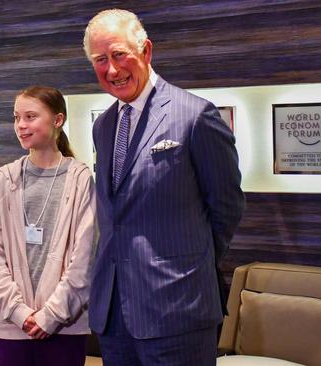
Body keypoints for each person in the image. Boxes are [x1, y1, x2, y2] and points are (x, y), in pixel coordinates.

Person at [83, 9, 245, 366]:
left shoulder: (195, 116)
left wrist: (190, 264)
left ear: (146, 51)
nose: (112, 69)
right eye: (100, 60)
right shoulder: (105, 125)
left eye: (119, 54)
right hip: (115, 315)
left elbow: (227, 206)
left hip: (178, 309)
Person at [0, 86, 96, 366]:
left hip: (64, 327)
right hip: (11, 327)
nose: (21, 125)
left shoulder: (80, 179)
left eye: (30, 116)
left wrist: (49, 316)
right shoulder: (6, 179)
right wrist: (21, 314)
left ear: (57, 120)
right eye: (16, 117)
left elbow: (85, 261)